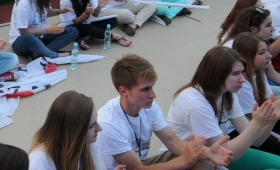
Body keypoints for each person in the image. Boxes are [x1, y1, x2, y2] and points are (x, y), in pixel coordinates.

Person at [97, 54, 233, 170]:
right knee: (191, 159)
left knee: (203, 160)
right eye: (145, 89)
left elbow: (174, 142)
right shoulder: (108, 123)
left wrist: (209, 153)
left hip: (140, 165)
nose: (153, 95)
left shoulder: (149, 107)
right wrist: (185, 160)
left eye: (152, 87)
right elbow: (138, 169)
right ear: (124, 91)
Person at [166, 46, 280, 170]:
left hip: (216, 155)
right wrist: (256, 123)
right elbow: (228, 154)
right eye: (236, 73)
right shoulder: (194, 102)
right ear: (216, 74)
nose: (242, 79)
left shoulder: (227, 94)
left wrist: (271, 118)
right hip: (189, 161)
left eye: (242, 72)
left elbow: (257, 141)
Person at [9, 0, 79, 59]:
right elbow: (23, 32)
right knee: (29, 37)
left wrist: (61, 11)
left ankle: (43, 52)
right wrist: (48, 30)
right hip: (22, 41)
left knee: (73, 31)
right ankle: (53, 54)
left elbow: (46, 12)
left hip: (41, 36)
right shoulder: (23, 3)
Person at [30, 91, 109, 170]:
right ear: (74, 133)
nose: (99, 128)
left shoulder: (88, 142)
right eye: (91, 126)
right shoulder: (39, 161)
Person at [231, 33, 280, 152]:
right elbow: (258, 120)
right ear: (247, 56)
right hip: (245, 130)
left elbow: (270, 101)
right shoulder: (241, 83)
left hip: (261, 121)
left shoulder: (258, 72)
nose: (269, 56)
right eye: (262, 53)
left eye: (267, 51)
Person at [60, 0, 132, 49]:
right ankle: (115, 37)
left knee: (113, 20)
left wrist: (99, 6)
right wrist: (86, 13)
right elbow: (76, 22)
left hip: (86, 23)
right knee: (89, 28)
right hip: (71, 28)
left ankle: (84, 38)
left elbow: (95, 14)